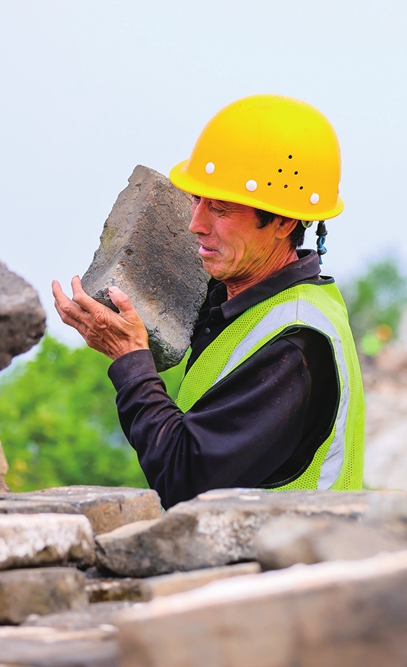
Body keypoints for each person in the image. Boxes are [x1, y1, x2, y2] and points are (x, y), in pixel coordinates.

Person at [51, 95, 364, 508]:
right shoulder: (242, 301)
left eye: (220, 208)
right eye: (197, 200)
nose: (196, 224)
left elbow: (185, 478)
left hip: (285, 569)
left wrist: (130, 360)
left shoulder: (296, 343)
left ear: (284, 221)